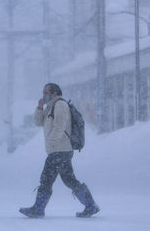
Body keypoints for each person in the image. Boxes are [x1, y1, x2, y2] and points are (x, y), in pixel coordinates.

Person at [19, 83, 100, 218]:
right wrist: (39, 107)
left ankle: (38, 209)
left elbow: (60, 127)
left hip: (60, 150)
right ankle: (90, 205)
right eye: (43, 92)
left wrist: (51, 143)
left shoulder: (60, 105)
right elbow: (39, 122)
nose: (43, 95)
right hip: (60, 150)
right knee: (69, 180)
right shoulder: (50, 106)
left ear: (55, 93)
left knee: (46, 179)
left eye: (46, 92)